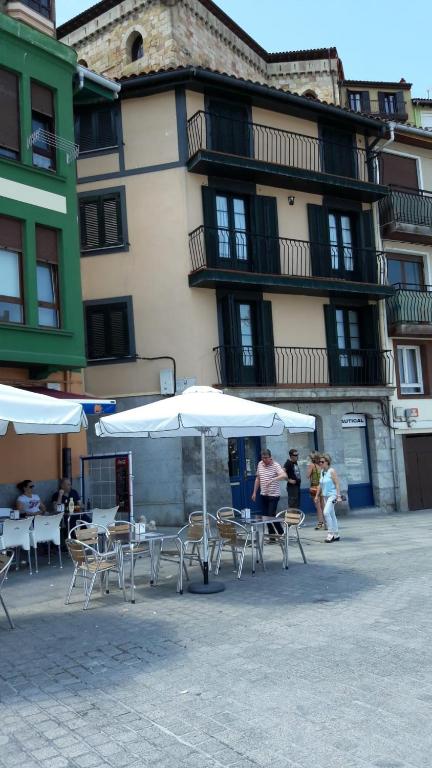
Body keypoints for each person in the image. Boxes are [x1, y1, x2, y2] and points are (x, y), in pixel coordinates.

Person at [252, 449, 286, 538]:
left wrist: (273, 479)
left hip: (274, 495)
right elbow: (258, 479)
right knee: (265, 516)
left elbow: (284, 475)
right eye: (263, 458)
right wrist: (254, 492)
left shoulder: (275, 465)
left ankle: (281, 533)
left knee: (271, 515)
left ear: (270, 457)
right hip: (263, 494)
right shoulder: (260, 464)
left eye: (266, 458)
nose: (264, 460)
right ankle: (272, 535)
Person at [317, 453, 342, 543]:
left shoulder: (332, 471)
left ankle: (330, 534)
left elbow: (337, 483)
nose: (320, 463)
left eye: (322, 462)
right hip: (325, 496)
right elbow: (320, 485)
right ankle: (336, 534)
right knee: (332, 514)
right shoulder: (322, 472)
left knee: (326, 512)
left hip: (332, 495)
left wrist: (338, 496)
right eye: (319, 462)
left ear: (327, 462)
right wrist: (316, 495)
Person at [307, 451, 325, 530]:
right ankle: (326, 522)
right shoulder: (320, 465)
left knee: (318, 507)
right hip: (322, 487)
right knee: (323, 506)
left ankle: (320, 523)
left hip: (314, 487)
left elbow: (307, 475)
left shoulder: (312, 465)